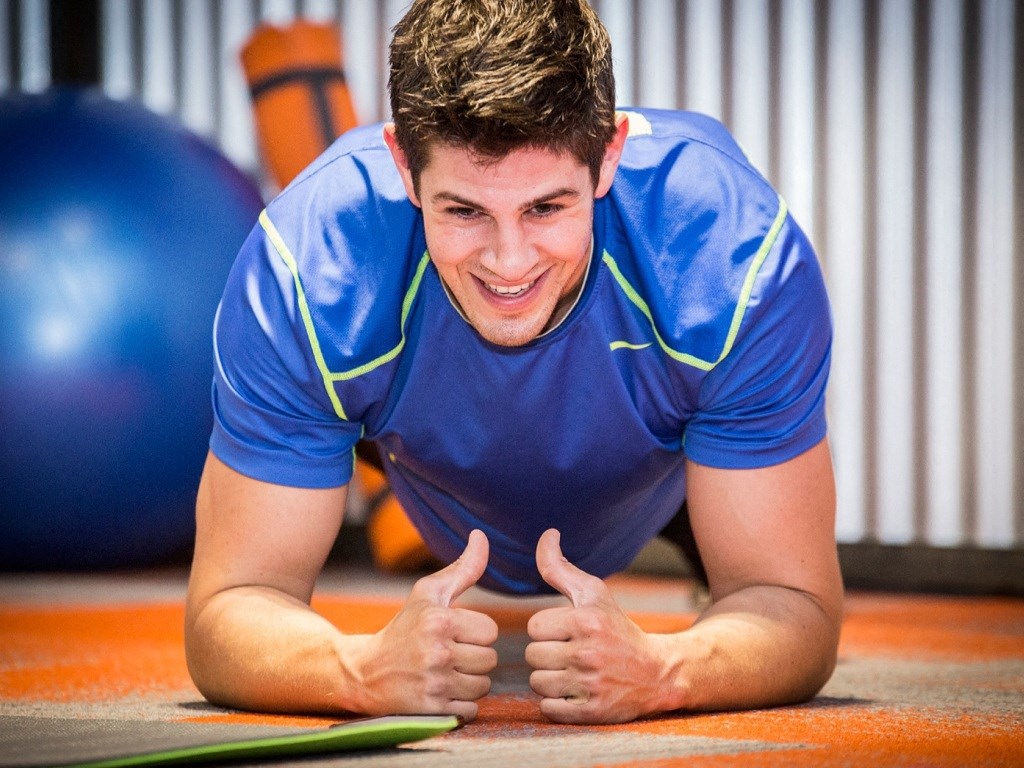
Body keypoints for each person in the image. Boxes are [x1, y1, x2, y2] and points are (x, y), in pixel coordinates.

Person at [185, 0, 843, 725]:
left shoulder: (731, 262)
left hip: (661, 465)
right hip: (412, 454)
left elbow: (796, 611)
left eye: (545, 208)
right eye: (464, 211)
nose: (509, 263)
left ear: (610, 155)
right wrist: (358, 671)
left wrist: (665, 671)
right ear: (402, 162)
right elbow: (228, 609)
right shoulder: (308, 268)